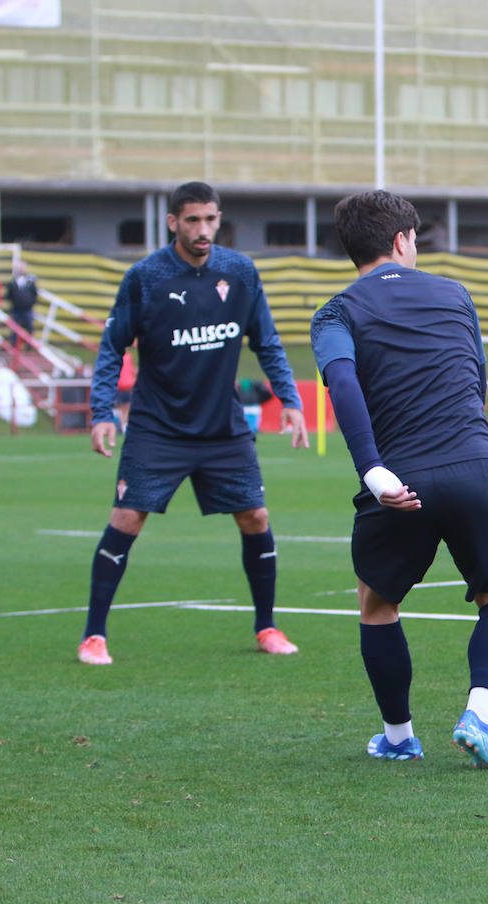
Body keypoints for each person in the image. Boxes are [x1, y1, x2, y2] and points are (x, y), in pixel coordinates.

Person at [310, 189, 488, 769]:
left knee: (378, 606)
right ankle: (478, 712)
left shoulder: (335, 312)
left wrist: (373, 468)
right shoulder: (456, 294)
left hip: (399, 482)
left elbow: (342, 382)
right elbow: (475, 380)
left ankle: (400, 737)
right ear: (404, 240)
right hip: (478, 466)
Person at [78, 181, 309, 666]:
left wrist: (289, 398)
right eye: (192, 221)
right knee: (126, 518)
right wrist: (101, 412)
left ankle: (267, 626)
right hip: (157, 428)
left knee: (256, 517)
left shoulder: (240, 272)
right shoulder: (145, 277)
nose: (203, 230)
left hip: (222, 427)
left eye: (210, 219)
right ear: (173, 223)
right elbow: (111, 347)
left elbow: (266, 342)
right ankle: (94, 635)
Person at [5, 261, 39, 350]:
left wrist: (30, 303)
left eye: (23, 267)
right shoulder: (13, 282)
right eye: (20, 267)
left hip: (27, 309)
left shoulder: (30, 281)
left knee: (29, 328)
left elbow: (34, 294)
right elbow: (9, 295)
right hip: (16, 309)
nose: (21, 269)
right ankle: (13, 347)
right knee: (15, 329)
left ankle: (29, 346)